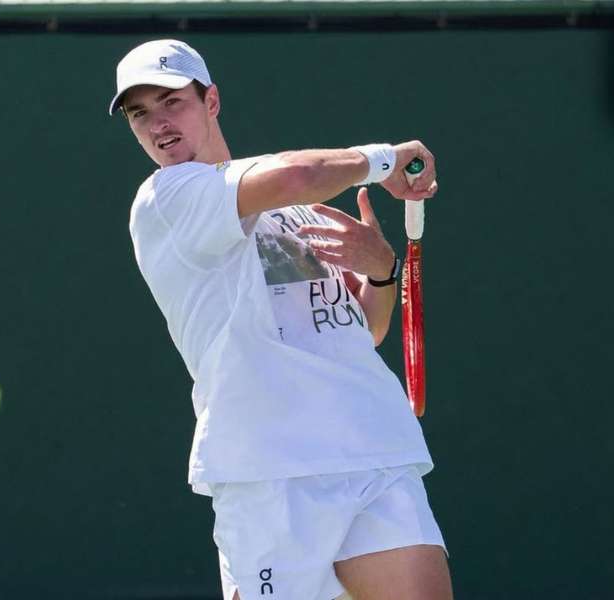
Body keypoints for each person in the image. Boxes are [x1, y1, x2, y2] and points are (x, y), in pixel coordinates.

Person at [110, 39, 452, 600]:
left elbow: (362, 330)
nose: (158, 124)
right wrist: (383, 159)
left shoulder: (294, 212)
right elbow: (297, 174)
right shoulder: (167, 198)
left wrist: (382, 271)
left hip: (373, 455)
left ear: (211, 101)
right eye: (139, 112)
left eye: (172, 102)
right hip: (267, 475)